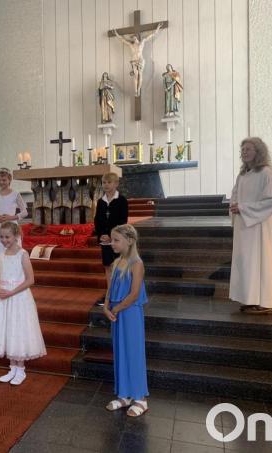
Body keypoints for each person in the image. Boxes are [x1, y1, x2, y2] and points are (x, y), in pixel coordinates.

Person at [229, 138, 272, 314]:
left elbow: (271, 201)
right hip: (245, 228)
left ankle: (266, 302)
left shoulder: (267, 173)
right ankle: (251, 298)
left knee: (263, 262)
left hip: (261, 228)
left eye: (248, 149)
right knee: (247, 264)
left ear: (259, 152)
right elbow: (235, 194)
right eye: (243, 150)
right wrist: (234, 205)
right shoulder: (243, 175)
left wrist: (243, 208)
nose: (244, 152)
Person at [0, 222, 46, 385]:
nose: (4, 240)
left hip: (18, 297)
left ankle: (21, 369)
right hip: (3, 297)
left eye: (7, 237)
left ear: (16, 236)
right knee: (7, 328)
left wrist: (11, 291)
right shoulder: (2, 255)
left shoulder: (23, 254)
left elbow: (30, 279)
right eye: (1, 237)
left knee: (18, 329)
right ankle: (12, 367)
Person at [103, 224, 149, 417]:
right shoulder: (116, 262)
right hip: (116, 312)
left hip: (129, 313)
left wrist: (118, 307)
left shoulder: (136, 263)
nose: (111, 243)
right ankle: (124, 395)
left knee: (133, 352)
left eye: (116, 240)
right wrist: (106, 306)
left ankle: (140, 398)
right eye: (112, 240)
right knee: (121, 352)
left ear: (129, 241)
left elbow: (134, 293)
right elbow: (109, 288)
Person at [93, 172, 129, 305]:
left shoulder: (122, 200)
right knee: (108, 266)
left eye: (109, 182)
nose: (106, 185)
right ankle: (110, 293)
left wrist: (111, 235)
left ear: (116, 184)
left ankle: (121, 293)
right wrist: (101, 234)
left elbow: (122, 221)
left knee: (118, 266)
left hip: (117, 240)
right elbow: (98, 220)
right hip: (105, 241)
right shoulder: (100, 202)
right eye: (104, 183)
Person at [0, 168, 27, 258]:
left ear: (9, 180)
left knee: (13, 254)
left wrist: (11, 217)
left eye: (4, 180)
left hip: (11, 226)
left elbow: (25, 212)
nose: (1, 182)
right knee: (0, 255)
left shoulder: (15, 194)